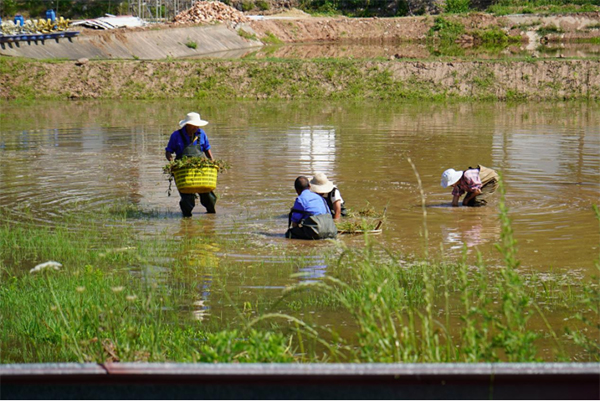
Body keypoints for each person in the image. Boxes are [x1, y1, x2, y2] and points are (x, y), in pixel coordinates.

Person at [165, 112, 217, 217]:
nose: (196, 127)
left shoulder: (201, 134)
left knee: (208, 194)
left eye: (197, 125)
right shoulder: (176, 135)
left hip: (200, 168)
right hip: (184, 170)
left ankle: (211, 215)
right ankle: (187, 219)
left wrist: (213, 161)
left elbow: (207, 149)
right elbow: (168, 152)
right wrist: (172, 164)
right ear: (188, 125)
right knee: (187, 196)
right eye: (194, 125)